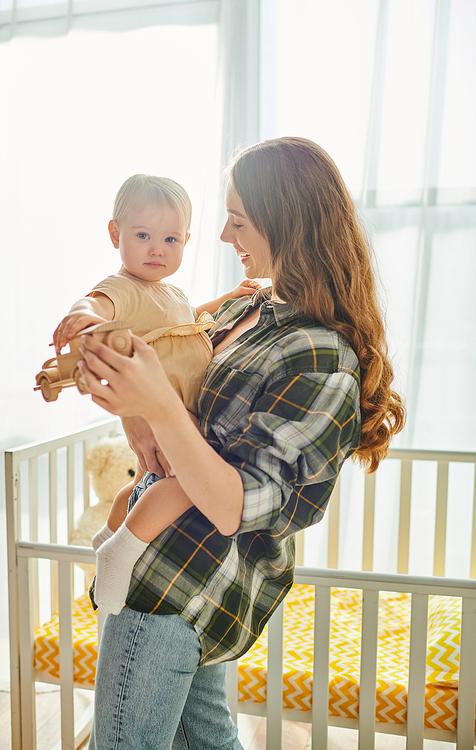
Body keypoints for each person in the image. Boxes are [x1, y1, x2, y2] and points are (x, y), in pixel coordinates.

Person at [77, 137, 405, 750]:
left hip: (183, 581)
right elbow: (177, 386)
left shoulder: (320, 356)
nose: (226, 237)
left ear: (287, 223)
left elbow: (235, 505)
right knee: (208, 738)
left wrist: (155, 405)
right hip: (179, 573)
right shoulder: (247, 310)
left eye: (239, 220)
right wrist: (135, 412)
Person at [52, 174, 259, 588]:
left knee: (145, 486)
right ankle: (119, 551)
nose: (156, 249)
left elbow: (183, 321)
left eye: (171, 240)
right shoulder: (124, 287)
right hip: (171, 413)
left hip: (179, 412)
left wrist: (225, 300)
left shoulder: (170, 292)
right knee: (185, 482)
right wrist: (85, 315)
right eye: (143, 235)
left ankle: (108, 533)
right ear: (115, 234)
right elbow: (97, 301)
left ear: (185, 240)